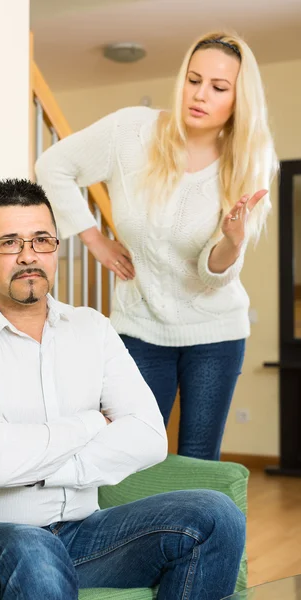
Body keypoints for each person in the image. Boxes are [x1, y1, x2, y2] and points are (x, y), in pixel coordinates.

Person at [0, 179, 245, 600]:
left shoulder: (93, 329)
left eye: (41, 240)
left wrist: (38, 472)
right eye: (7, 243)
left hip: (83, 534)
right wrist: (93, 422)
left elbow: (148, 437)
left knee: (217, 515)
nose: (28, 256)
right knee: (32, 549)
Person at [35, 31, 278, 461]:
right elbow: (53, 165)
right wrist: (94, 239)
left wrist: (233, 240)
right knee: (133, 454)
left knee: (197, 459)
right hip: (140, 324)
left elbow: (212, 272)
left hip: (215, 333)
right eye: (193, 79)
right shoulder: (131, 131)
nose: (200, 95)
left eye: (219, 88)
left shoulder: (249, 161)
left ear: (239, 99)